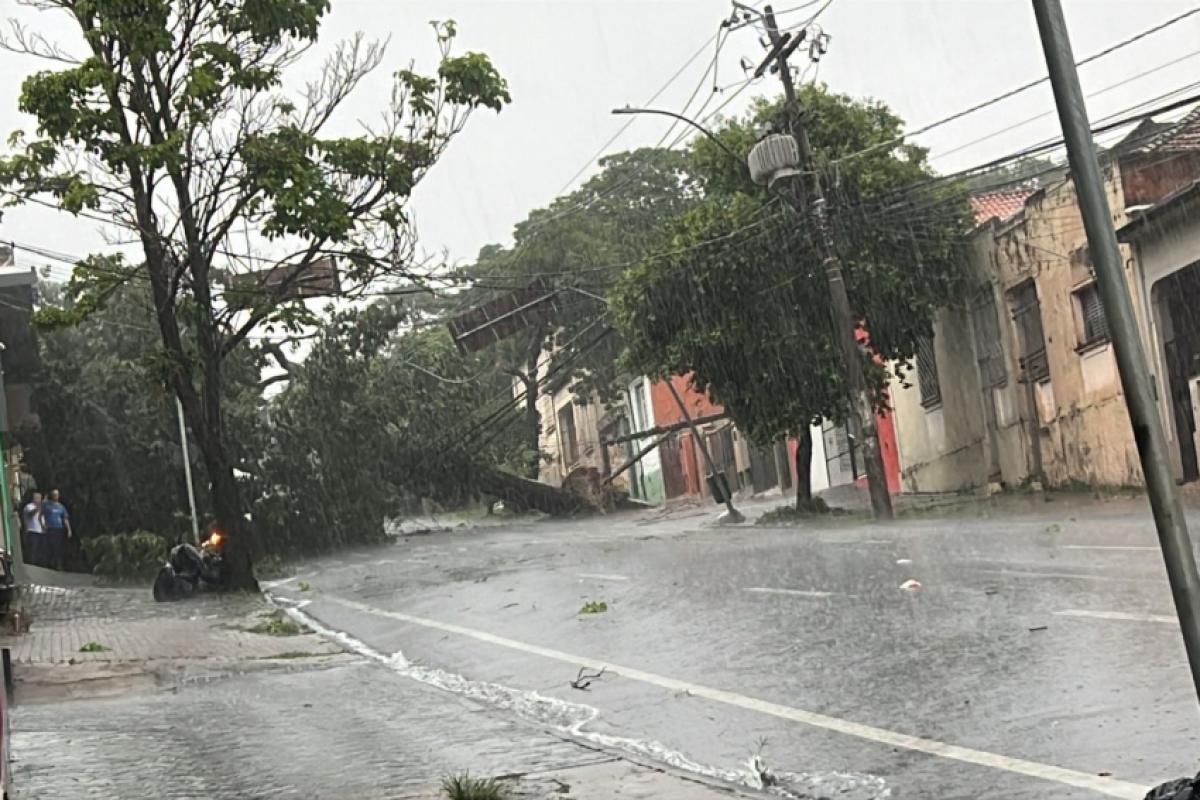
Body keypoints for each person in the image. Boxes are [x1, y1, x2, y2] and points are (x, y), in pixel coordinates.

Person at [41, 489, 71, 571]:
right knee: (51, 546)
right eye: (54, 495)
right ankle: (50, 564)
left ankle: (58, 565)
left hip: (59, 528)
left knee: (58, 547)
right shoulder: (47, 505)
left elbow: (65, 519)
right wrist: (43, 525)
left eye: (57, 495)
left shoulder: (61, 506)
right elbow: (40, 515)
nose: (56, 496)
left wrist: (69, 529)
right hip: (50, 528)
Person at [21, 492, 44, 566]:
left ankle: (38, 564)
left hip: (40, 531)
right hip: (32, 531)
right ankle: (31, 564)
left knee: (39, 549)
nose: (39, 499)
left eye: (40, 498)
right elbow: (30, 514)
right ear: (33, 498)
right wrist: (38, 508)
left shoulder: (41, 508)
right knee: (32, 549)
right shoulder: (29, 506)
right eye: (37, 498)